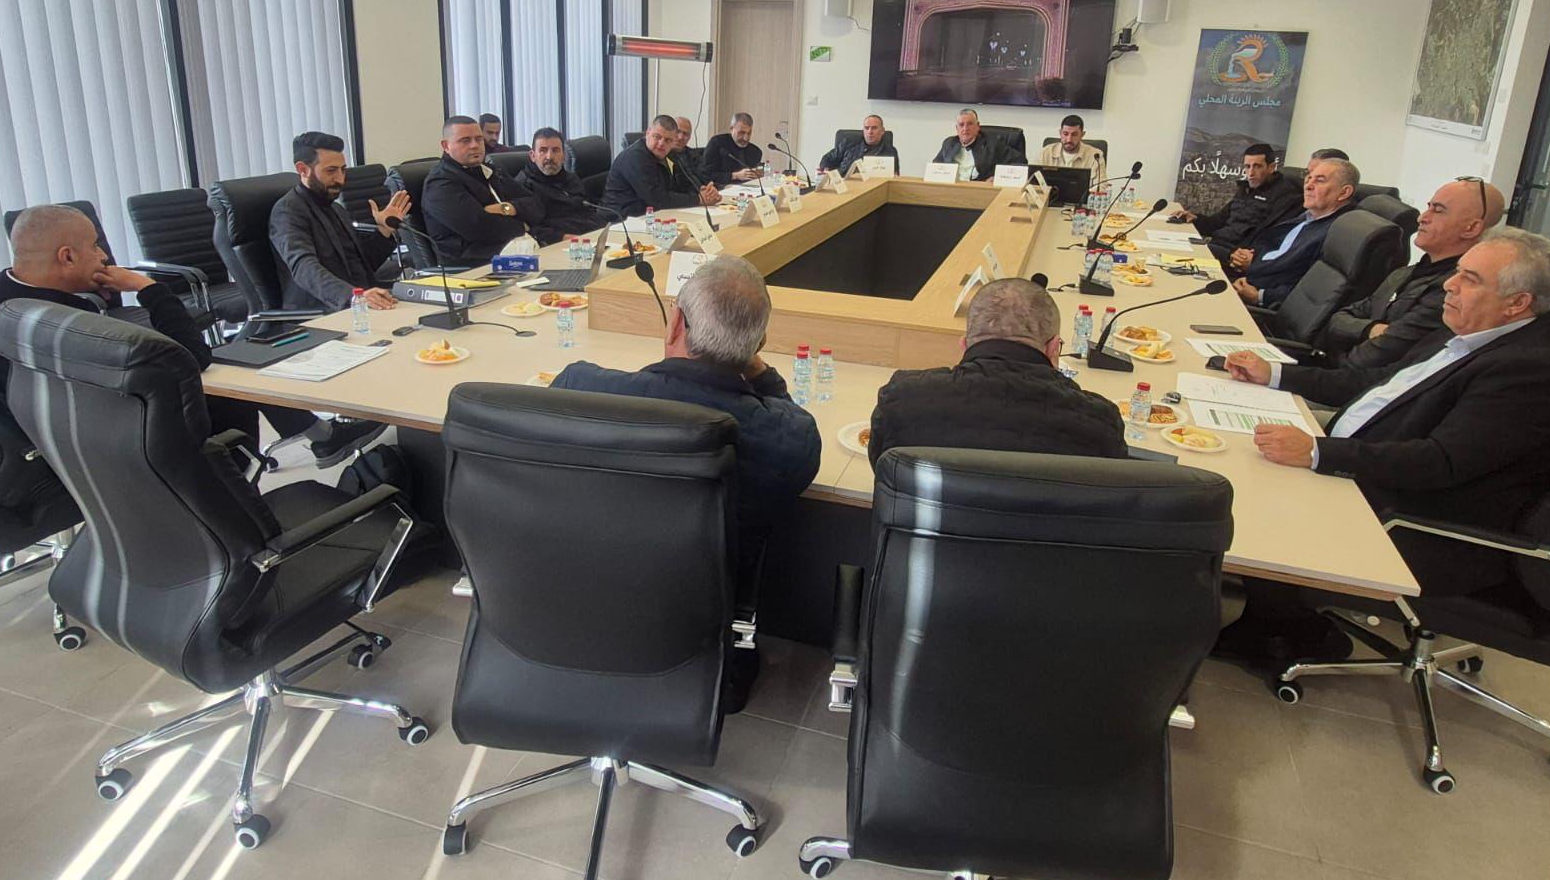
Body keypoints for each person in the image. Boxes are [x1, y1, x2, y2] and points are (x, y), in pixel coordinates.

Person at [1215, 227, 1550, 663]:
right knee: (1228, 450)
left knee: (1250, 491)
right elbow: (1373, 384)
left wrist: (1317, 453)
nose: (1449, 284)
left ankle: (1282, 630)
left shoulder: (1530, 371)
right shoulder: (1465, 331)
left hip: (1420, 522)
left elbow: (1440, 462)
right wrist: (1274, 374)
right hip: (1370, 460)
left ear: (1517, 303)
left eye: (1470, 279)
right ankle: (1270, 607)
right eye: (1458, 272)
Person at [552, 255, 820, 708]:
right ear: (759, 344)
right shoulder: (787, 438)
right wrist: (761, 373)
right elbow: (788, 420)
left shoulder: (578, 388)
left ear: (675, 322)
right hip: (698, 629)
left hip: (577, 609)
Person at [0, 206, 381, 467]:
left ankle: (321, 436)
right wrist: (150, 288)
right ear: (66, 256)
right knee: (227, 379)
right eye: (95, 247)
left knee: (234, 360)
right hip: (99, 441)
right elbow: (194, 359)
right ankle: (234, 495)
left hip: (16, 436)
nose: (103, 256)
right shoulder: (67, 323)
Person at [868, 278, 1128, 466]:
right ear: (1052, 349)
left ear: (965, 345)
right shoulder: (1100, 422)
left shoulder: (902, 402)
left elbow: (884, 477)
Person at [1322, 178, 1505, 368]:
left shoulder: (1451, 291)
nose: (1422, 218)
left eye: (1438, 210)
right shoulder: (1403, 273)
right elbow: (1336, 320)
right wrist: (1370, 329)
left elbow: (1374, 358)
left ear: (1471, 228)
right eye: (1428, 207)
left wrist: (1326, 365)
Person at [269, 131, 410, 313]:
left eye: (343, 170)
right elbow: (304, 268)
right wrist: (355, 297)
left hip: (363, 303)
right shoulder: (287, 212)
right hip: (323, 311)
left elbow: (361, 265)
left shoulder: (337, 209)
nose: (340, 179)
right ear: (303, 169)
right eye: (331, 171)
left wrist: (384, 230)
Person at [1231, 158, 1358, 307]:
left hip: (1262, 300)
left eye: (1320, 180)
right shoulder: (1308, 216)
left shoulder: (1336, 233)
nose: (1308, 186)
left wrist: (1259, 296)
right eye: (1308, 178)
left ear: (1344, 192)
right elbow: (1275, 245)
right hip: (1247, 277)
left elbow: (1307, 288)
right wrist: (1250, 255)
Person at [422, 115, 544, 266]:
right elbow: (479, 228)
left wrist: (507, 208)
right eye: (465, 140)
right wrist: (522, 225)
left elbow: (536, 205)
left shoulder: (491, 171)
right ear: (446, 146)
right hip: (473, 264)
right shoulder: (440, 183)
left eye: (479, 139)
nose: (475, 145)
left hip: (515, 248)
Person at [1169, 142, 1301, 266]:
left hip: (1234, 257)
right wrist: (1195, 219)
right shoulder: (1246, 189)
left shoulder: (1285, 196)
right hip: (1217, 247)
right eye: (1247, 166)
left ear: (1271, 168)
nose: (1251, 173)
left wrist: (1235, 254)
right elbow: (1218, 221)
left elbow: (1268, 239)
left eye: (1257, 166)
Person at [603, 115, 722, 217]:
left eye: (668, 140)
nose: (661, 144)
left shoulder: (669, 154)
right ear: (648, 133)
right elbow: (655, 198)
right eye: (657, 137)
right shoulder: (635, 157)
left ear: (674, 141)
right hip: (622, 218)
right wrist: (698, 199)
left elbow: (683, 183)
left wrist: (703, 192)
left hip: (653, 214)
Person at [519, 128, 605, 244]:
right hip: (556, 244)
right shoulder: (523, 185)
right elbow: (529, 230)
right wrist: (564, 238)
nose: (549, 157)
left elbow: (587, 211)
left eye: (555, 150)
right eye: (543, 151)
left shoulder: (571, 179)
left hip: (587, 239)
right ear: (533, 155)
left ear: (564, 156)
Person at [933, 108, 1025, 182]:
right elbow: (935, 168)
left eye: (970, 124)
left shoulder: (992, 144)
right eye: (961, 125)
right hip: (953, 188)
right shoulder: (949, 143)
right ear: (957, 128)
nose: (965, 128)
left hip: (980, 190)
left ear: (977, 126)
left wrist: (997, 177)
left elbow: (1019, 162)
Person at [1035, 114, 1106, 185]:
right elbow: (1033, 181)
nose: (1069, 139)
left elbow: (1101, 186)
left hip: (1083, 193)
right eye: (1065, 134)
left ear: (1082, 135)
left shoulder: (1095, 156)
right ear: (1060, 133)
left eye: (1074, 135)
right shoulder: (1046, 152)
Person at [818, 114, 899, 175]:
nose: (870, 132)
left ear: (882, 131)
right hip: (843, 184)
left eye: (874, 128)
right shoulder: (849, 143)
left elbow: (895, 175)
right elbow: (826, 159)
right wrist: (827, 172)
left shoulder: (890, 151)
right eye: (866, 128)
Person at [702, 112, 764, 185]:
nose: (746, 138)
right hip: (721, 188)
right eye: (741, 133)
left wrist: (758, 174)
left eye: (749, 133)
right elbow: (706, 174)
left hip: (748, 188)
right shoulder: (717, 143)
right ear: (731, 129)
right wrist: (734, 176)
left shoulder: (756, 152)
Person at [672, 115, 706, 185]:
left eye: (685, 134)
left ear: (689, 137)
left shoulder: (696, 157)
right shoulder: (661, 156)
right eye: (677, 131)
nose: (680, 137)